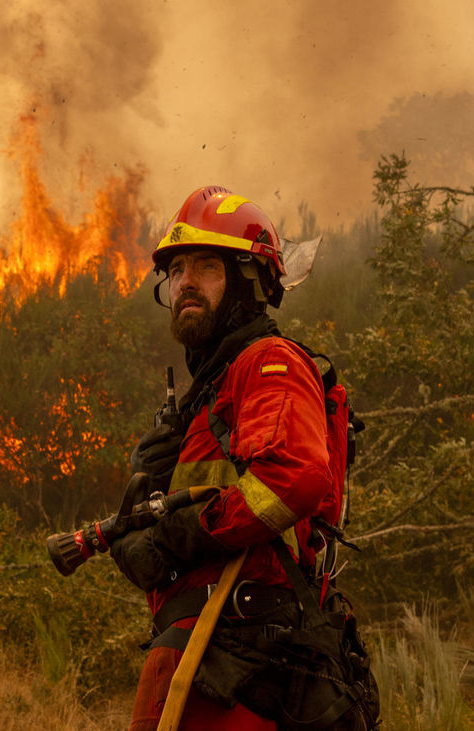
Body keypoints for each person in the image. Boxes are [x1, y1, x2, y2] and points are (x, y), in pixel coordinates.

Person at [111, 186, 333, 730]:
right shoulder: (211, 394)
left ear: (249, 282)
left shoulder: (268, 361)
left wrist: (179, 534)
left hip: (246, 659)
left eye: (207, 266)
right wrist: (139, 519)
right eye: (178, 268)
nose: (185, 281)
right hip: (202, 647)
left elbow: (294, 479)